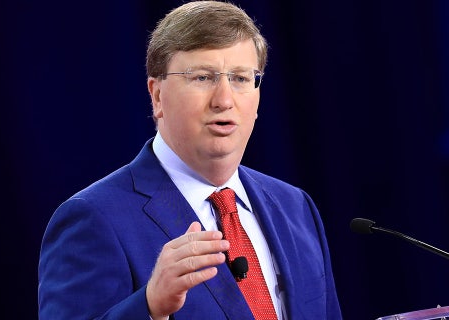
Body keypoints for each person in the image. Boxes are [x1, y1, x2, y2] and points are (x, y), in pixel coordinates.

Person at [38, 1, 342, 319]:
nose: (224, 100)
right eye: (202, 78)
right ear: (157, 96)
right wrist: (151, 306)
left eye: (240, 78)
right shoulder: (94, 218)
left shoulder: (295, 206)